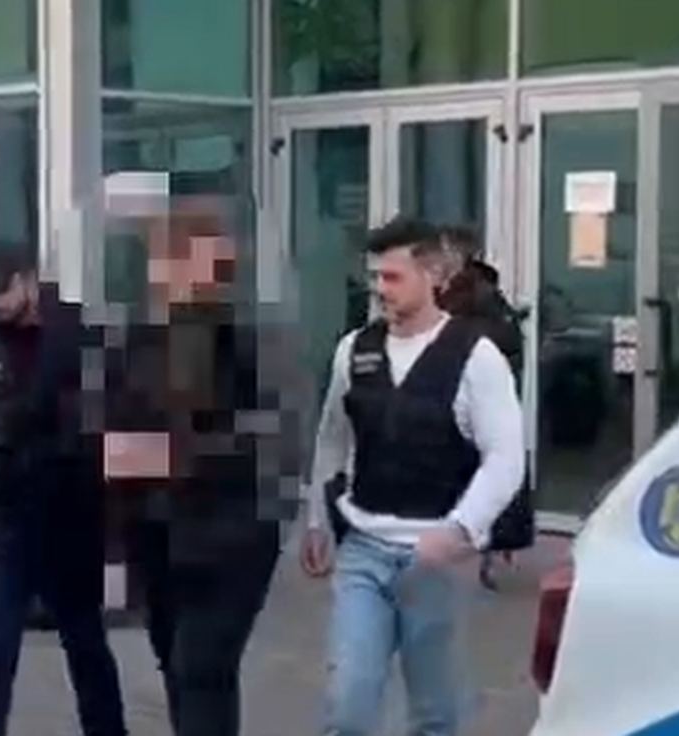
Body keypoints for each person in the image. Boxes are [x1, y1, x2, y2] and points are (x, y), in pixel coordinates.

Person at [300, 217, 524, 736]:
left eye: (393, 277)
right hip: (363, 549)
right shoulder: (355, 350)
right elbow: (333, 437)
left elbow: (506, 457)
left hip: (436, 561)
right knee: (349, 701)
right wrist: (317, 520)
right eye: (374, 277)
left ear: (433, 276)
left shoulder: (476, 356)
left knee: (433, 711)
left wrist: (460, 530)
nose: (380, 289)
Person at [101, 201, 299, 736]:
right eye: (168, 257)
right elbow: (113, 421)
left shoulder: (248, 342)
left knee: (201, 667)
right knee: (179, 666)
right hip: (157, 535)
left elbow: (276, 438)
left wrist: (178, 455)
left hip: (231, 534)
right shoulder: (140, 339)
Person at [0, 238, 126, 736]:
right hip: (2, 517)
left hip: (68, 514)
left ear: (29, 280)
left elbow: (116, 416)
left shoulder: (78, 332)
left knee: (86, 645)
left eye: (0, 291)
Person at [437, 225, 534, 589]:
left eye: (445, 250)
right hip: (449, 393)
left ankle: (483, 548)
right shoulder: (460, 292)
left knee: (483, 468)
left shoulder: (475, 295)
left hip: (466, 397)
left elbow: (500, 342)